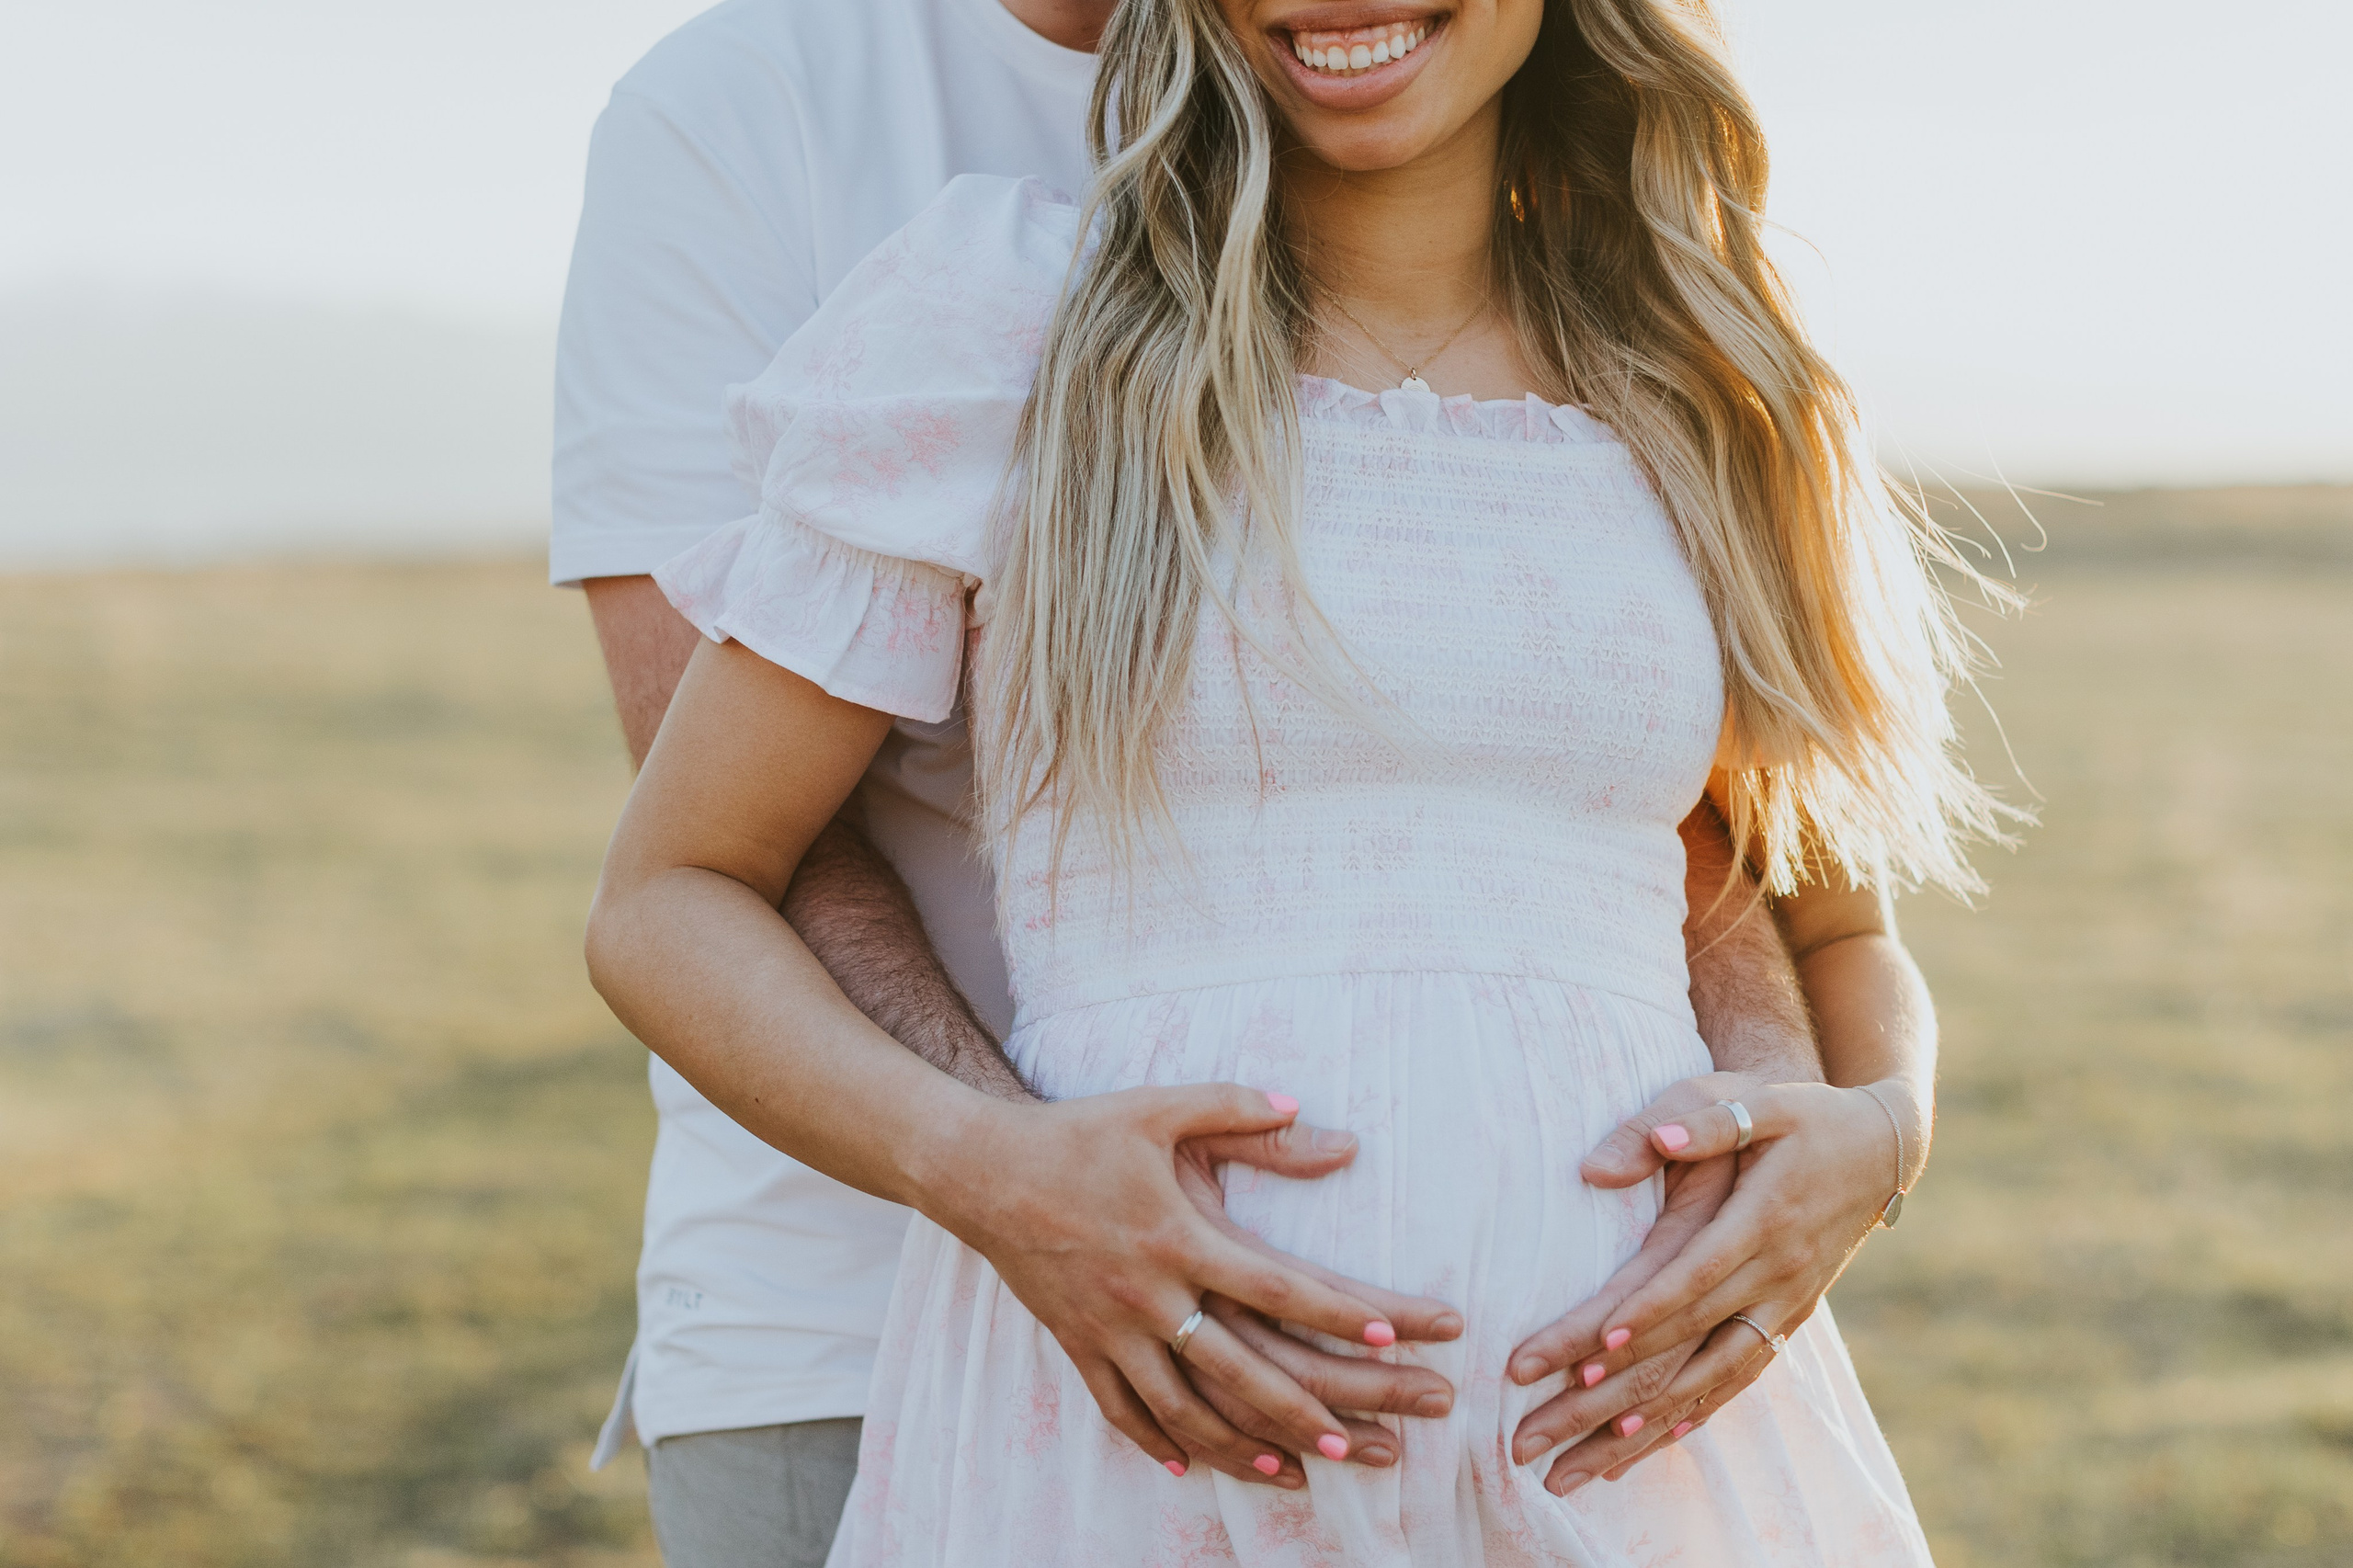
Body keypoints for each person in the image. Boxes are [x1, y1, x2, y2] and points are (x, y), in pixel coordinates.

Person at [584, 0, 1996, 1558]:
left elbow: (1834, 926)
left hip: (1637, 1464)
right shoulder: (1008, 318)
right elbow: (673, 897)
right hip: (1130, 1454)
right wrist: (991, 1173)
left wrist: (1883, 1137)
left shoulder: (1699, 377)